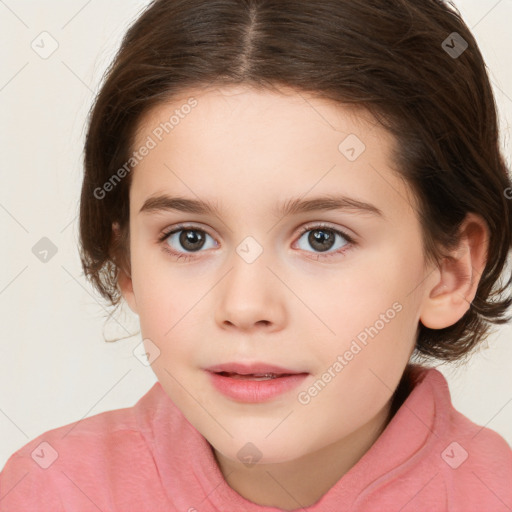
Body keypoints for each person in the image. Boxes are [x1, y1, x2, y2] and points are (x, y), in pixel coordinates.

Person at [1, 0, 512, 510]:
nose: (245, 306)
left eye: (322, 239)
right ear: (127, 263)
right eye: (190, 238)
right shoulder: (51, 490)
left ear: (448, 271)